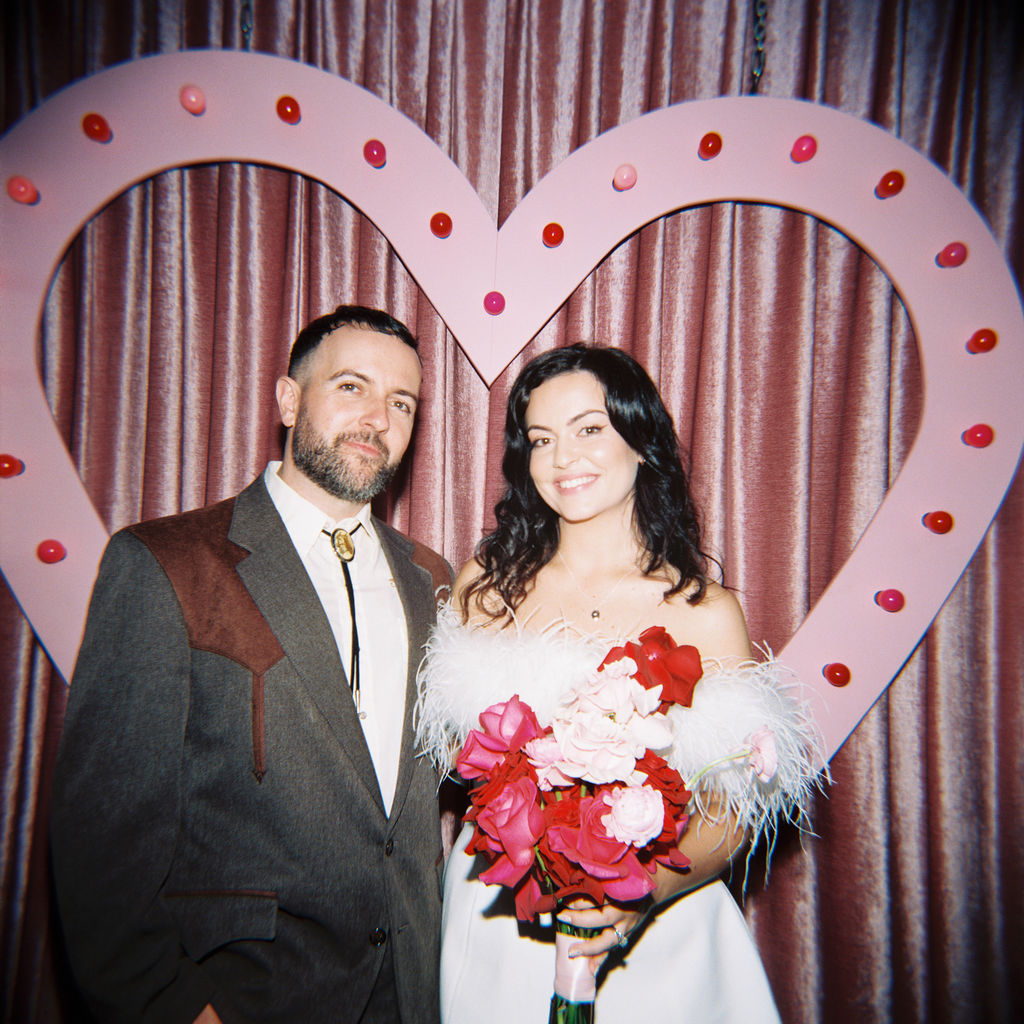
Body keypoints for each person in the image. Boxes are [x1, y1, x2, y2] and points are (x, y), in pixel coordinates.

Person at [51, 305, 451, 1024]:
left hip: (410, 994)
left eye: (402, 403)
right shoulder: (167, 563)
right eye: (352, 387)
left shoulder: (433, 579)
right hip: (245, 996)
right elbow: (101, 842)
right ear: (289, 400)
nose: (377, 419)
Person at [416, 344, 821, 1022]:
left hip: (661, 936)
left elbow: (733, 811)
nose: (562, 458)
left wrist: (640, 893)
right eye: (541, 439)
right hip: (502, 921)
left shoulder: (705, 613)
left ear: (641, 441)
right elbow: (461, 767)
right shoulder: (484, 590)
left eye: (589, 429)